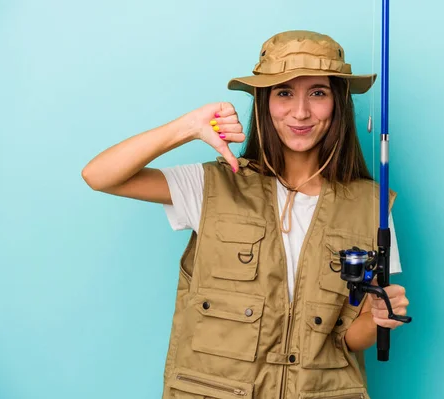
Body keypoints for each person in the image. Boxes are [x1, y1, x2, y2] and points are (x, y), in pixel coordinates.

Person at [82, 30, 410, 399]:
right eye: (284, 92)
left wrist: (377, 319)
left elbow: (347, 340)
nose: (300, 112)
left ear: (337, 103)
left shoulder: (372, 205)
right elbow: (99, 175)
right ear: (263, 102)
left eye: (317, 93)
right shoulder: (213, 185)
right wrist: (187, 128)